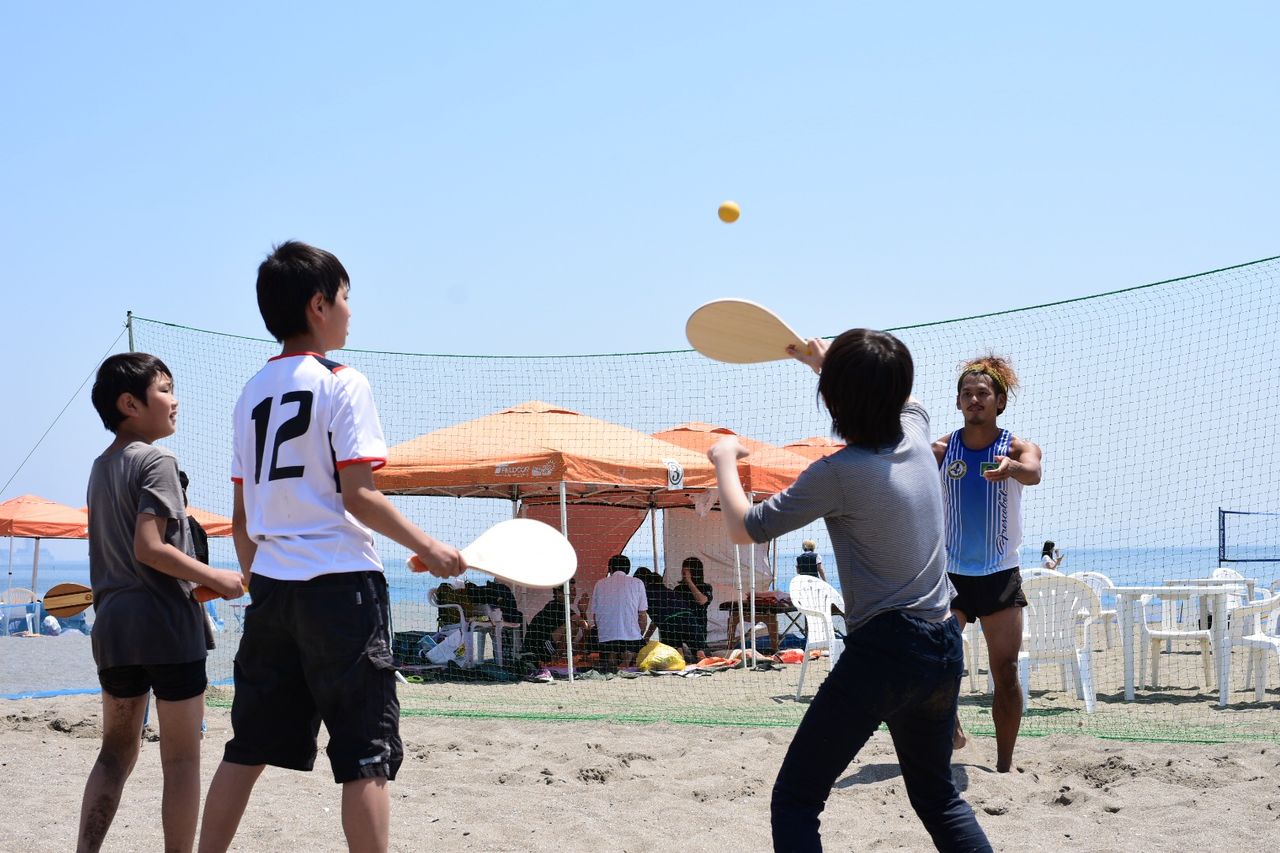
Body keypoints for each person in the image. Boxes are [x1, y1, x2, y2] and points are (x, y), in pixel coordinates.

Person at [198, 241, 466, 853]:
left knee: (247, 747)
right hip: (342, 591)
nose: (350, 311)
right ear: (318, 305)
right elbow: (359, 496)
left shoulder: (249, 394)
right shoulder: (343, 383)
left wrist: (260, 583)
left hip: (272, 591)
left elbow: (241, 519)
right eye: (345, 298)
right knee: (365, 754)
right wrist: (431, 547)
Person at [707, 329, 990, 852]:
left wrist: (724, 457)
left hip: (884, 652)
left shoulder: (836, 473)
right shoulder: (917, 435)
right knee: (939, 798)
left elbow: (746, 526)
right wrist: (826, 364)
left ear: (833, 402)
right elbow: (903, 396)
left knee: (796, 800)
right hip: (942, 643)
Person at [78, 353, 244, 853]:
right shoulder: (158, 461)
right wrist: (217, 577)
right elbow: (149, 549)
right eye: (165, 389)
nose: (175, 401)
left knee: (114, 754)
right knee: (181, 759)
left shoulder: (100, 467)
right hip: (167, 628)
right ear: (130, 404)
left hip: (114, 630)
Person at [932, 354, 1042, 773]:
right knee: (933, 662)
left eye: (983, 393)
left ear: (1000, 402)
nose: (974, 399)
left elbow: (1032, 472)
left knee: (1006, 671)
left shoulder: (1017, 448)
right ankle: (953, 730)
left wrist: (1012, 468)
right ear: (958, 401)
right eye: (967, 393)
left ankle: (1004, 766)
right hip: (951, 576)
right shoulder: (941, 450)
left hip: (999, 574)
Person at [586, 555, 649, 672]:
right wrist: (640, 634)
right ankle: (627, 658)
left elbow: (595, 617)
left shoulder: (599, 584)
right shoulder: (637, 583)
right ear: (628, 569)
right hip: (631, 638)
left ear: (610, 568)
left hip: (606, 638)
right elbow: (642, 614)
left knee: (611, 653)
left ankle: (613, 657)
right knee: (635, 651)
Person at [522, 580, 585, 668]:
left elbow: (584, 626)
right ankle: (554, 661)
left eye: (574, 590)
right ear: (559, 593)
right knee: (572, 626)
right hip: (537, 651)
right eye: (570, 590)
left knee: (572, 626)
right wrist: (582, 611)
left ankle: (555, 659)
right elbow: (584, 625)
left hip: (543, 647)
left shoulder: (558, 606)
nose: (574, 594)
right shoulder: (556, 606)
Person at [664, 557, 713, 659]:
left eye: (687, 571)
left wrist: (690, 582)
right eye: (683, 570)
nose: (683, 573)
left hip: (698, 628)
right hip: (680, 628)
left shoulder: (705, 587)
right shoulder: (678, 589)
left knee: (701, 654)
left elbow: (702, 601)